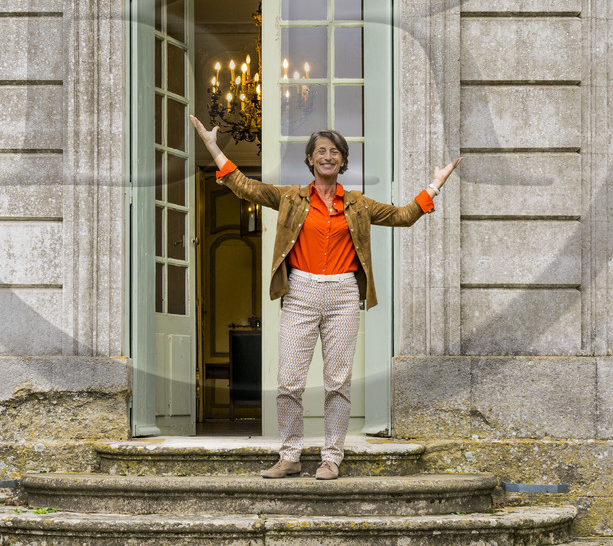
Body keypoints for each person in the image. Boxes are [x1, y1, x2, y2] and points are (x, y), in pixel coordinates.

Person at [190, 115, 461, 480]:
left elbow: (403, 216)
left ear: (343, 160)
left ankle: (332, 457)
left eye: (334, 151)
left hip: (343, 295)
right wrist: (212, 147)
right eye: (320, 151)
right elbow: (245, 186)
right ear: (310, 159)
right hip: (300, 292)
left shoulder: (358, 204)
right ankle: (290, 455)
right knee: (288, 382)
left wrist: (435, 184)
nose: (327, 156)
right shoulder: (290, 198)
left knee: (337, 383)